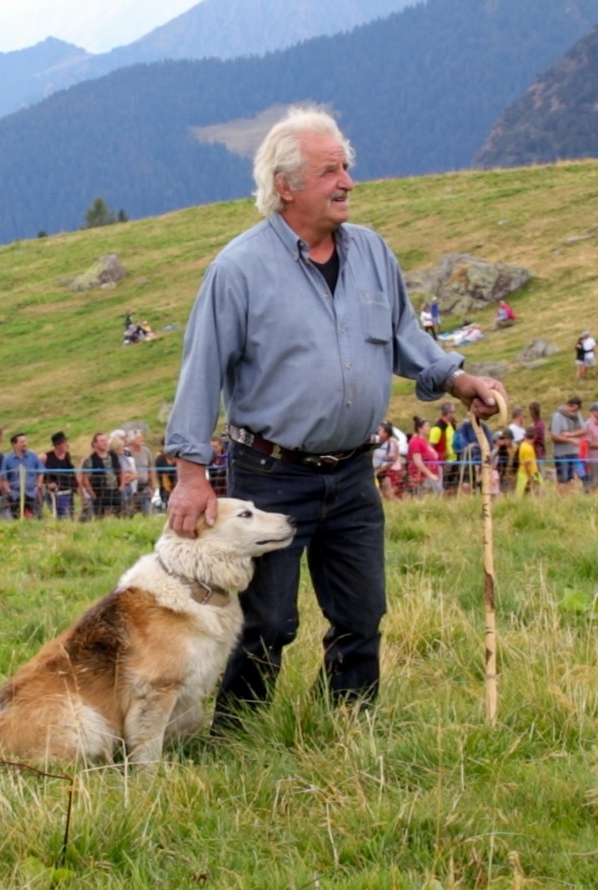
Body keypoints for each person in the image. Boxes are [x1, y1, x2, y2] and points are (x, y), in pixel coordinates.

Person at [164, 106, 505, 721]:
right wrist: (191, 473)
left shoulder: (373, 254)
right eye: (329, 171)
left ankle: (348, 725)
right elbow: (202, 370)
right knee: (267, 620)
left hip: (352, 472)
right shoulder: (238, 269)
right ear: (286, 185)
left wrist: (458, 379)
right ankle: (237, 732)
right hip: (270, 474)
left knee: (361, 613)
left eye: (346, 167)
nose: (347, 181)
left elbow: (406, 338)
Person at [0, 432, 45, 519]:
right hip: (15, 495)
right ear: (14, 444)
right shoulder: (7, 459)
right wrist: (9, 491)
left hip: (32, 494)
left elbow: (41, 471)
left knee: (38, 518)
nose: (25, 444)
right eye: (22, 442)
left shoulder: (33, 456)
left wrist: (38, 486)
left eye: (25, 441)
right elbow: (4, 478)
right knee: (17, 518)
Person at [548, 397, 586, 493]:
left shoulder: (577, 415)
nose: (575, 412)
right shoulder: (557, 416)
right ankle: (562, 497)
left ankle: (569, 497)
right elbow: (554, 436)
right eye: (574, 410)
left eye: (577, 410)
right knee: (563, 478)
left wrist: (571, 434)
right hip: (561, 454)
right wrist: (570, 440)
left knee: (571, 478)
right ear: (569, 406)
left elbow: (584, 430)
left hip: (573, 452)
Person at [41, 431, 77, 520]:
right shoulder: (46, 457)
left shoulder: (67, 455)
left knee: (70, 515)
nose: (67, 445)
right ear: (57, 445)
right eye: (64, 443)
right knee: (60, 516)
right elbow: (39, 473)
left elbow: (71, 472)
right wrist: (47, 482)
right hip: (55, 493)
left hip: (68, 490)